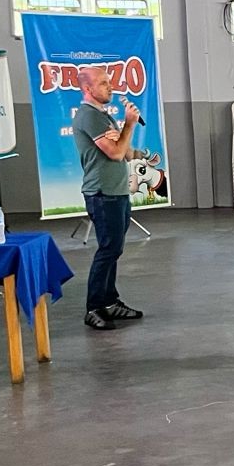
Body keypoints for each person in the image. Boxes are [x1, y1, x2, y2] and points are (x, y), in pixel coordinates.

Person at [74, 66, 144, 330]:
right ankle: (94, 307)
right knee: (108, 249)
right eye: (103, 83)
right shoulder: (89, 117)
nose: (110, 87)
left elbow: (124, 152)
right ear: (88, 89)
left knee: (114, 248)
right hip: (102, 194)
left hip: (117, 193)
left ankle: (109, 301)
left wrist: (139, 150)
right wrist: (129, 123)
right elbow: (114, 153)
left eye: (109, 81)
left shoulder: (104, 117)